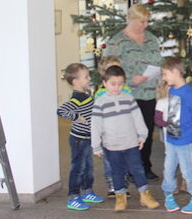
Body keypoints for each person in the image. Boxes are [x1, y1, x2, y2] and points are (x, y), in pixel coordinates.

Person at [103, 4, 162, 180]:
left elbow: (158, 60)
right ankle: (128, 168)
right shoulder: (117, 41)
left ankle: (145, 166)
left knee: (147, 131)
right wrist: (130, 79)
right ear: (130, 19)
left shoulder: (151, 38)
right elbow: (109, 68)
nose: (144, 25)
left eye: (146, 22)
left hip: (150, 93)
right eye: (140, 22)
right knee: (129, 132)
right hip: (126, 94)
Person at [91, 65, 159, 212]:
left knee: (138, 169)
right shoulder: (100, 102)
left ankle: (144, 195)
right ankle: (120, 196)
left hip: (131, 143)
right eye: (113, 84)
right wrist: (96, 145)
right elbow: (95, 125)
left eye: (120, 84)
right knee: (117, 171)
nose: (117, 87)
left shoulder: (129, 99)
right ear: (104, 83)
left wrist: (142, 135)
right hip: (112, 145)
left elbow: (138, 119)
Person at [159, 57, 192, 214]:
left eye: (165, 74)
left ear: (175, 72)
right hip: (172, 137)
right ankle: (168, 195)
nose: (164, 78)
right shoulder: (172, 90)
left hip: (185, 139)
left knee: (187, 170)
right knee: (168, 168)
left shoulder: (187, 91)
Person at [57, 63, 104, 211]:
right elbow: (61, 110)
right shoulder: (78, 97)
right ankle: (73, 197)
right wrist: (76, 116)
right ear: (75, 81)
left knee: (88, 167)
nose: (89, 78)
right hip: (79, 139)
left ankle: (87, 191)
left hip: (87, 138)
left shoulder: (85, 95)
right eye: (86, 77)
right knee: (78, 168)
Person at [95, 56, 132, 197]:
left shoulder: (127, 90)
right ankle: (112, 185)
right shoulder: (100, 94)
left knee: (125, 160)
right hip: (108, 133)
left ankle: (123, 184)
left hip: (125, 132)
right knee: (109, 160)